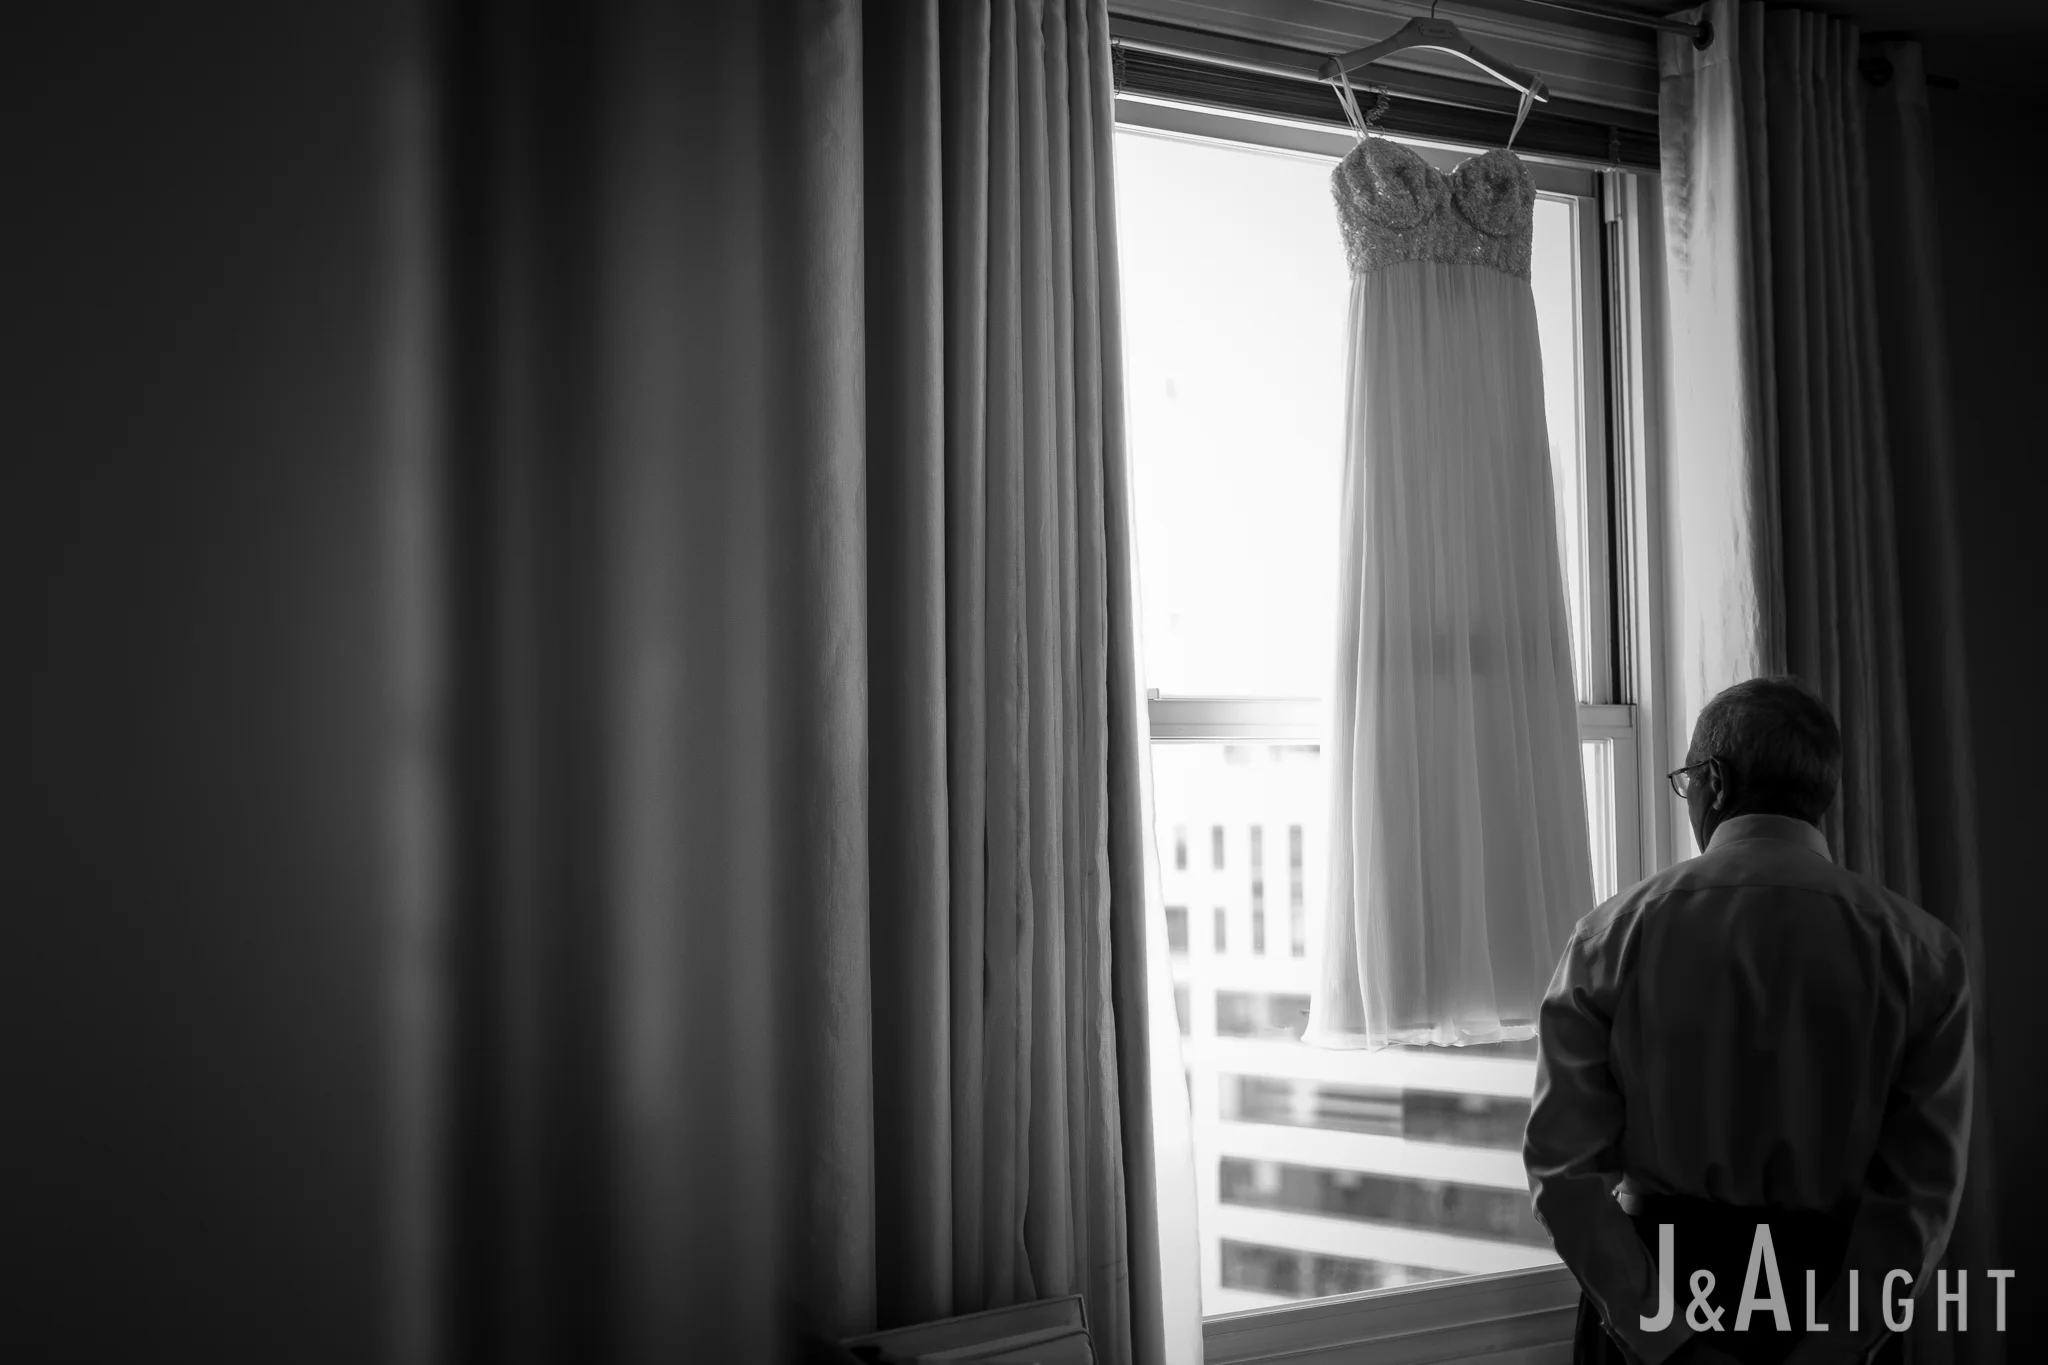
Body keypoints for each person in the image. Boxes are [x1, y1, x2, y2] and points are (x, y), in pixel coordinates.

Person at [1523, 676, 1973, 1365]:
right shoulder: (1922, 953)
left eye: (1687, 783)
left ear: (1715, 781)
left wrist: (1666, 1340)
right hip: (1829, 1291)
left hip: (1663, 1288)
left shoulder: (1610, 939)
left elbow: (1562, 1173)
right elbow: (1920, 1195)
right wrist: (1832, 1349)